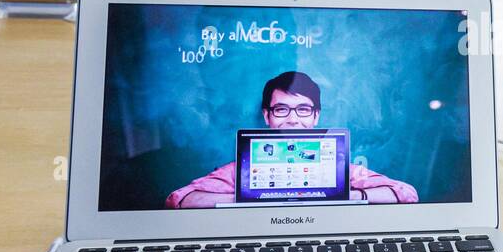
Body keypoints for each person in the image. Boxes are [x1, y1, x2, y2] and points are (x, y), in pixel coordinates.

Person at [166, 71, 418, 208]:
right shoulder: (238, 171)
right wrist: (253, 198)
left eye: (304, 110)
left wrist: (347, 195)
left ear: (316, 116)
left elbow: (406, 193)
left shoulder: (343, 169)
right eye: (281, 109)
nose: (293, 119)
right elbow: (181, 198)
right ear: (267, 116)